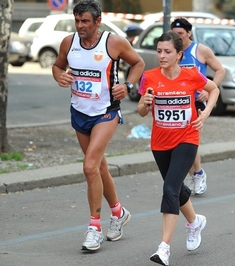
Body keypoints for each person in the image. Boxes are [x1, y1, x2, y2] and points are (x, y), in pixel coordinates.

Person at [52, 0, 145, 251]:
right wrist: (59, 75)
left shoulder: (112, 42)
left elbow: (138, 63)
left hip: (106, 112)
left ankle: (94, 228)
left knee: (89, 166)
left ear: (97, 22)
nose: (80, 26)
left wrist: (127, 86)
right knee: (99, 167)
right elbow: (58, 65)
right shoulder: (68, 43)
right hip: (79, 112)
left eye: (85, 21)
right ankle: (119, 212)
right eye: (77, 21)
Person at [137, 31, 219, 266]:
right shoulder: (149, 77)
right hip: (160, 142)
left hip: (187, 138)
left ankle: (164, 249)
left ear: (179, 54)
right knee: (175, 189)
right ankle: (195, 222)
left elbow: (214, 90)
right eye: (159, 51)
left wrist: (205, 113)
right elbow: (143, 112)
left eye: (167, 52)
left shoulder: (192, 75)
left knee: (170, 189)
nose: (162, 56)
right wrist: (144, 103)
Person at [170, 17, 225, 196]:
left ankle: (198, 174)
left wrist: (209, 90)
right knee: (178, 142)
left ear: (188, 33)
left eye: (180, 34)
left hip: (196, 102)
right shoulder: (172, 52)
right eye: (174, 34)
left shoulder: (200, 50)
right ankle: (194, 174)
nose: (177, 37)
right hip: (177, 101)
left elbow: (220, 70)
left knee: (189, 141)